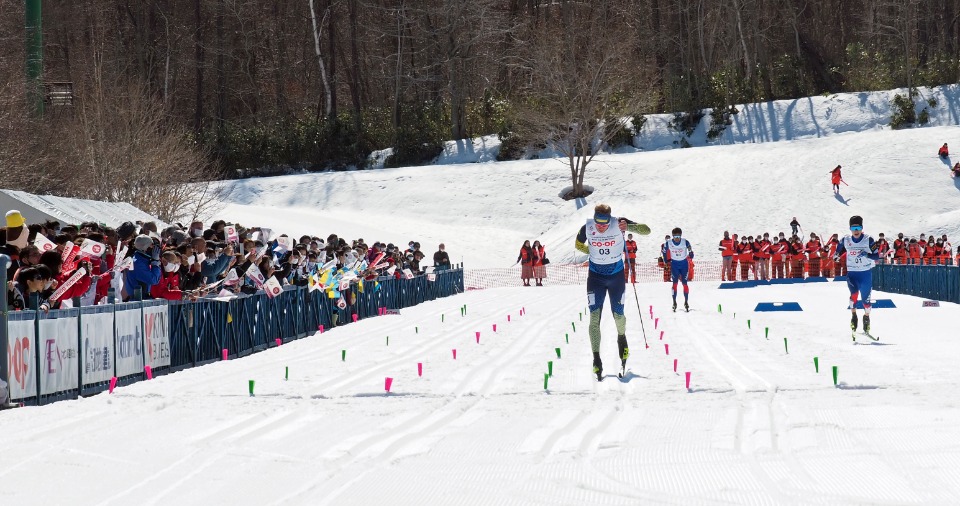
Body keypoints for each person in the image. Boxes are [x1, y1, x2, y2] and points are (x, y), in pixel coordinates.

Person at [574, 204, 650, 380]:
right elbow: (578, 245)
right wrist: (591, 250)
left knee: (618, 316)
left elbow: (647, 230)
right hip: (595, 277)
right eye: (598, 222)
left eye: (605, 223)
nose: (601, 226)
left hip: (616, 277)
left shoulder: (619, 223)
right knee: (594, 318)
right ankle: (596, 359)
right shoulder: (587, 227)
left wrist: (630, 227)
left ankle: (622, 339)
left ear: (610, 219)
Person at [834, 215, 880, 339]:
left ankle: (866, 317)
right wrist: (836, 255)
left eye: (858, 227)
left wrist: (867, 254)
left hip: (865, 274)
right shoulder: (845, 239)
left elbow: (877, 257)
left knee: (866, 303)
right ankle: (854, 316)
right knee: (853, 295)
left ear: (862, 228)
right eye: (854, 228)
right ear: (850, 228)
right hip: (852, 274)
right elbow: (838, 250)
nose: (856, 230)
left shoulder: (869, 239)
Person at [662, 227, 694, 312]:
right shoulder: (668, 243)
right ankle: (674, 302)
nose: (677, 239)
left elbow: (690, 249)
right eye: (675, 237)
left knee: (684, 283)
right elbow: (664, 251)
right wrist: (666, 261)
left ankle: (686, 302)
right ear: (672, 236)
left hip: (684, 264)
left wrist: (691, 253)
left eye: (678, 237)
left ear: (681, 236)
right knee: (675, 283)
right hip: (675, 264)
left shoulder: (685, 242)